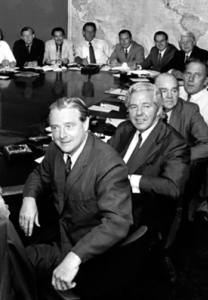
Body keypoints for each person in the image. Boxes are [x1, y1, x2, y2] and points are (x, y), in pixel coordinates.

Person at [19, 97, 132, 291]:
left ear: (86, 123)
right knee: (9, 251)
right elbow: (40, 173)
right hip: (60, 232)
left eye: (69, 126)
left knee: (15, 262)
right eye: (55, 128)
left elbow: (118, 222)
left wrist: (74, 257)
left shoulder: (108, 165)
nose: (61, 135)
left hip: (87, 253)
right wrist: (29, 199)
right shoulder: (57, 148)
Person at [108, 83, 190, 233]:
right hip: (110, 201)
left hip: (140, 215)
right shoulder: (124, 129)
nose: (139, 113)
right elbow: (104, 158)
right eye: (133, 107)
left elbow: (173, 188)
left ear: (159, 110)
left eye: (146, 106)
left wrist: (129, 179)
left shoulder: (175, 143)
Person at [155, 73, 208, 162]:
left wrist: (180, 155)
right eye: (164, 91)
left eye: (174, 91)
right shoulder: (144, 107)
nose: (170, 96)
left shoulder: (189, 110)